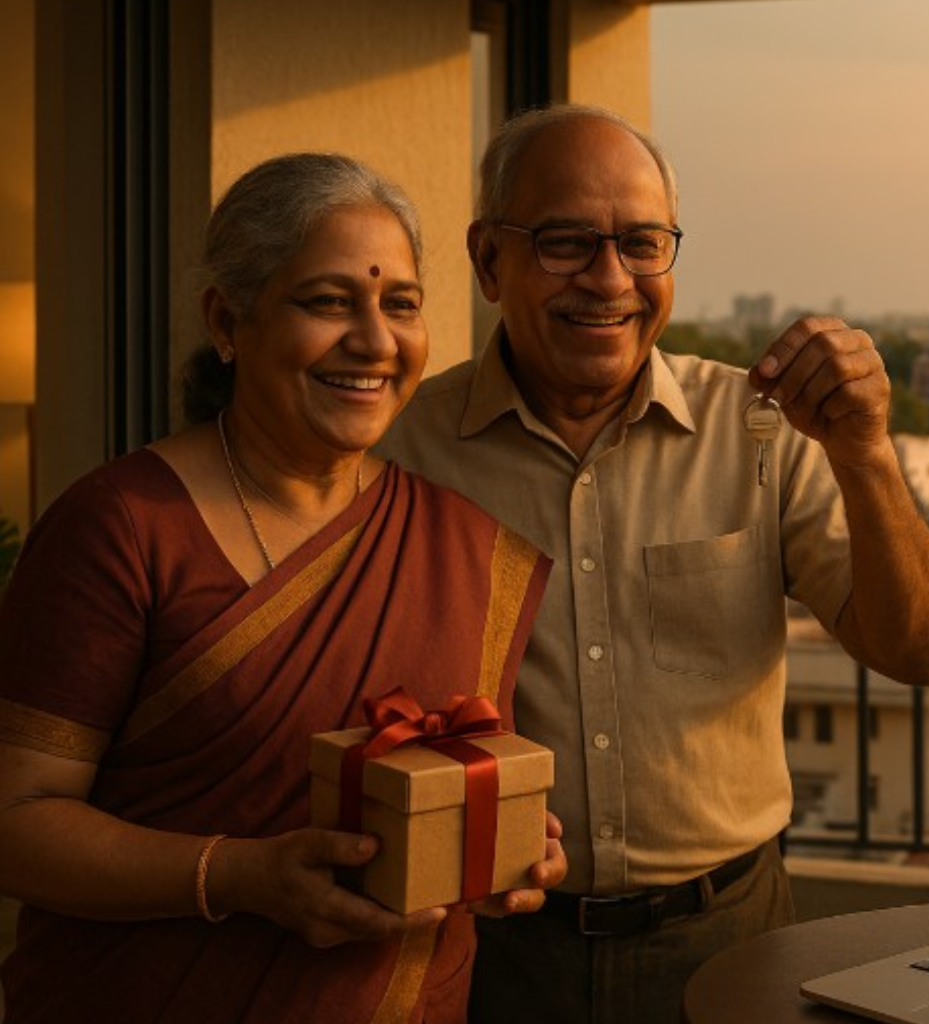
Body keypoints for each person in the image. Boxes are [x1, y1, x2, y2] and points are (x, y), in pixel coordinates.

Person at [377, 104, 929, 1024]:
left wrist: (869, 455)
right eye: (567, 242)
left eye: (643, 244)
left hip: (728, 932)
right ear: (489, 260)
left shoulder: (758, 431)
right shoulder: (405, 450)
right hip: (498, 951)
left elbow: (917, 652)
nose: (610, 279)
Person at [0, 153, 567, 1022]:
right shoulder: (124, 528)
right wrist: (240, 875)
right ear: (228, 321)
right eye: (328, 301)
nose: (375, 341)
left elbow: (448, 767)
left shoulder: (463, 544)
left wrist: (499, 837)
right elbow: (18, 818)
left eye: (401, 304)